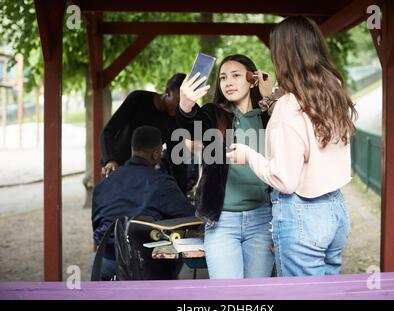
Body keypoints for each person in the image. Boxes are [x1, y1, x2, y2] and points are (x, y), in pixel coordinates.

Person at [227, 16, 357, 277]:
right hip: (335, 211)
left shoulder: (288, 108)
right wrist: (271, 97)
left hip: (302, 216)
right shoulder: (333, 91)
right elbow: (304, 126)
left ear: (284, 55)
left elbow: (284, 180)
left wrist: (249, 155)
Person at [177, 54, 274, 279]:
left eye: (236, 75)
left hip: (263, 219)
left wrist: (271, 97)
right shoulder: (214, 113)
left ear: (253, 79)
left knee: (257, 296)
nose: (228, 82)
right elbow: (192, 127)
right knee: (225, 294)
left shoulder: (269, 116)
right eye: (223, 77)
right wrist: (185, 104)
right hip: (222, 222)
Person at [92, 125, 195, 280]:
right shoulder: (161, 182)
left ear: (133, 149)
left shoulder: (103, 184)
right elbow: (189, 217)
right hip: (146, 265)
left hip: (106, 263)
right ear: (155, 154)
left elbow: (97, 223)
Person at [100, 73, 193, 194]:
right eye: (178, 101)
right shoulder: (138, 99)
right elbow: (107, 132)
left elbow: (177, 162)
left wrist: (182, 195)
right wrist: (109, 160)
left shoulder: (176, 120)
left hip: (143, 177)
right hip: (116, 168)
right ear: (168, 92)